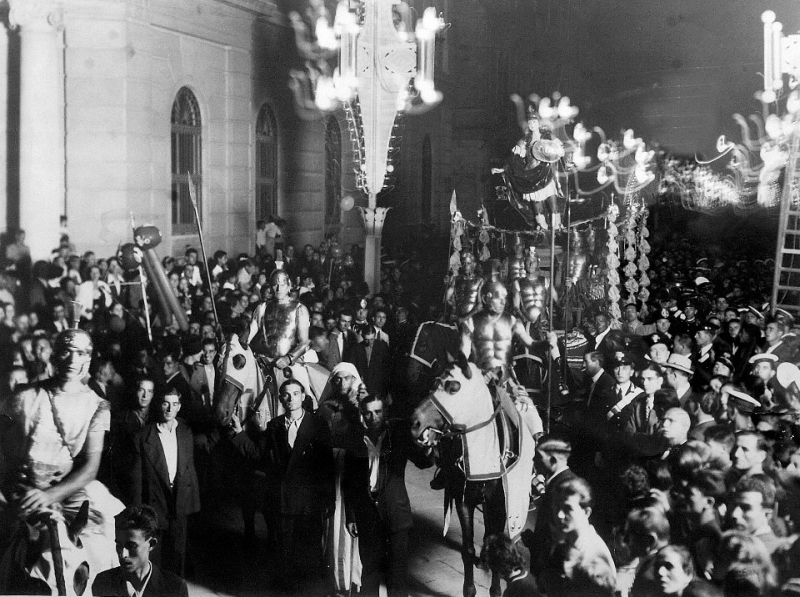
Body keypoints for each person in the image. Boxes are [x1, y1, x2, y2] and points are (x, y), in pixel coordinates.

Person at [0, 328, 123, 587]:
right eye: (65, 351)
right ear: (55, 357)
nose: (71, 359)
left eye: (79, 353)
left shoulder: (96, 405)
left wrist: (49, 495)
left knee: (97, 546)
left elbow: (90, 468)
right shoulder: (25, 397)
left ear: (87, 359)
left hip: (66, 491)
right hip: (20, 486)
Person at [230, 379, 335, 589]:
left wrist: (328, 500)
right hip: (282, 502)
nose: (291, 399)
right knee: (283, 556)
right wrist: (239, 433)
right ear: (280, 399)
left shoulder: (317, 425)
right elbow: (257, 454)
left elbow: (327, 467)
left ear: (303, 397)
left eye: (295, 394)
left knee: (309, 555)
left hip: (309, 505)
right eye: (286, 395)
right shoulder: (274, 425)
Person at [343, 394, 430, 597]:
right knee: (370, 573)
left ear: (385, 412)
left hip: (396, 513)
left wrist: (425, 443)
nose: (373, 417)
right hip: (367, 515)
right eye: (368, 413)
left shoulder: (398, 436)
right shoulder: (355, 440)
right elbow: (348, 483)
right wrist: (351, 516)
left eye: (377, 412)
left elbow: (424, 462)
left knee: (397, 575)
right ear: (362, 415)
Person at [131, 388, 200, 576]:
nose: (169, 408)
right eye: (165, 403)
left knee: (178, 560)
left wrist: (191, 503)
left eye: (174, 404)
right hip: (154, 507)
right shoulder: (144, 435)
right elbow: (137, 479)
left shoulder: (185, 432)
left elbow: (188, 470)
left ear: (179, 407)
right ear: (159, 406)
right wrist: (138, 513)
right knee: (154, 561)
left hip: (179, 505)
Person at [91, 505, 189, 597]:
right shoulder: (103, 582)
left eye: (131, 546)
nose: (123, 554)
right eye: (119, 545)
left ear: (151, 544)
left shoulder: (175, 589)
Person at [521, 434, 577, 576]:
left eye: (538, 457)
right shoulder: (561, 481)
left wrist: (533, 543)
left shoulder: (562, 488)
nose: (534, 460)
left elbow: (556, 536)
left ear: (552, 460)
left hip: (548, 569)